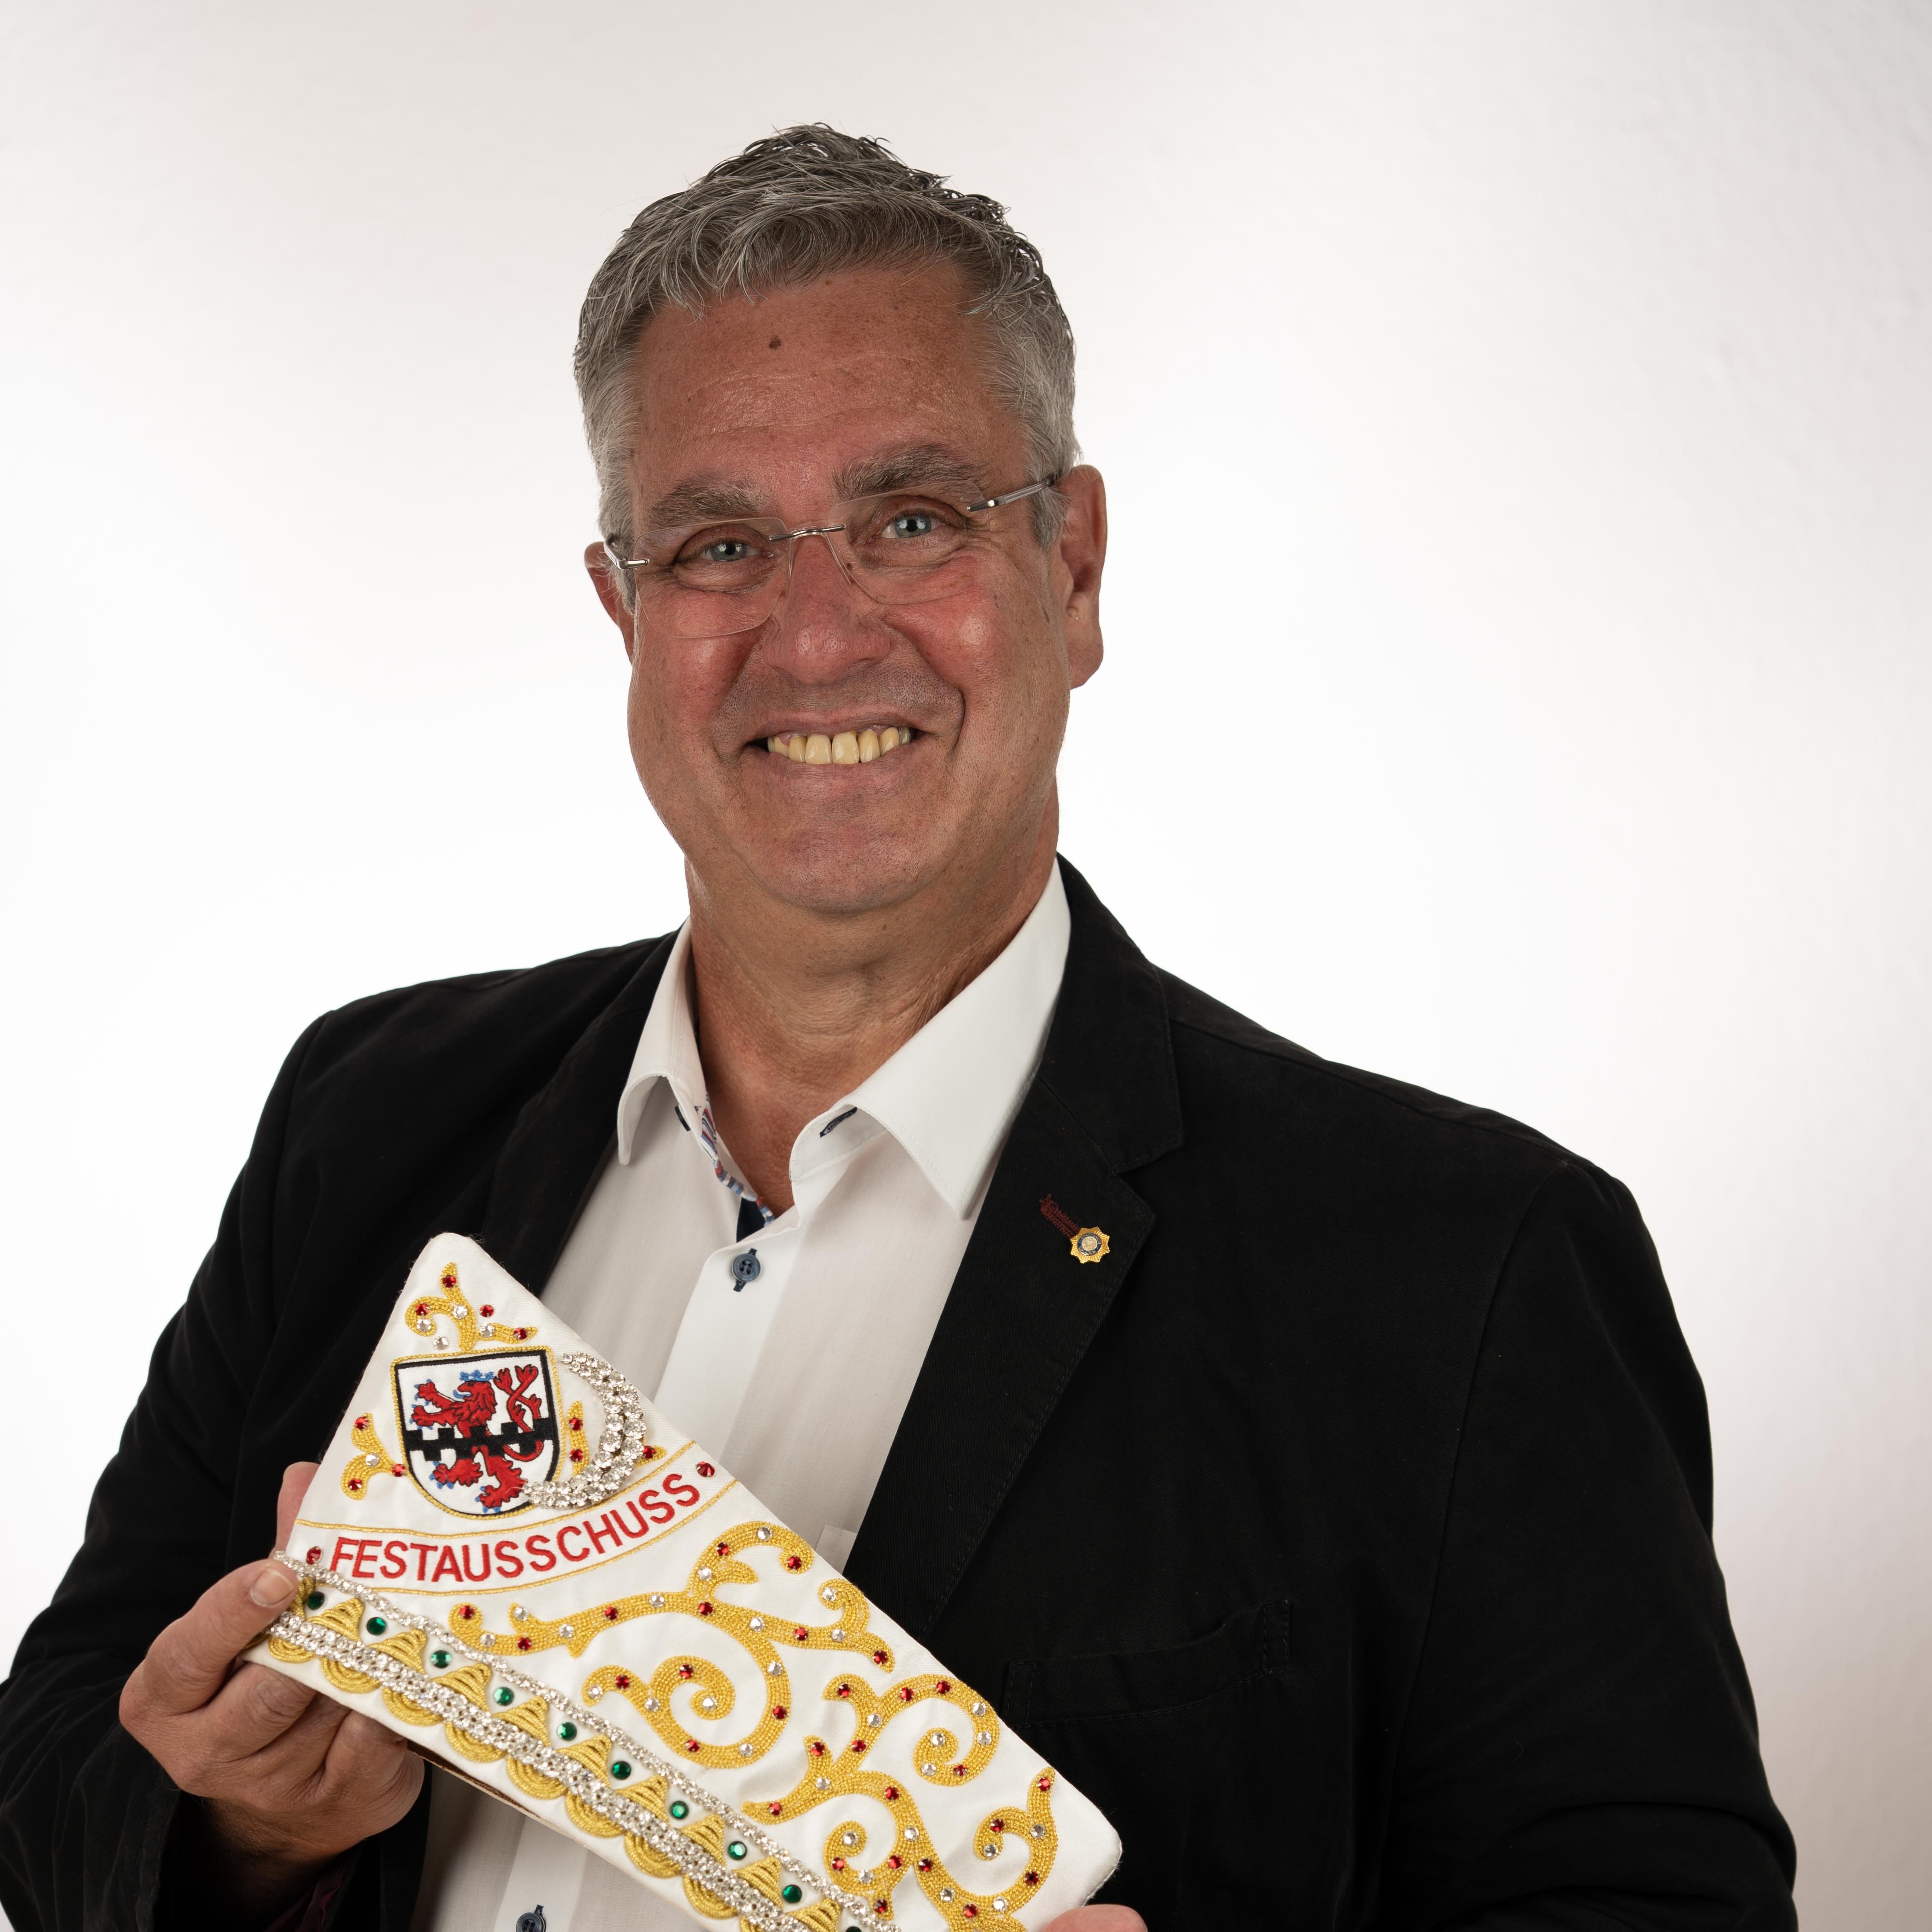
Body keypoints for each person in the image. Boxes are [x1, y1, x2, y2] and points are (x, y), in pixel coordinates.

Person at [0, 127, 1795, 1932]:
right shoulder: (369, 1117)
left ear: (1074, 571)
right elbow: (55, 1760)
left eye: (913, 521)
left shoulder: (1462, 1273)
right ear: (625, 610)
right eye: (718, 545)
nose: (814, 637)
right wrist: (247, 1834)